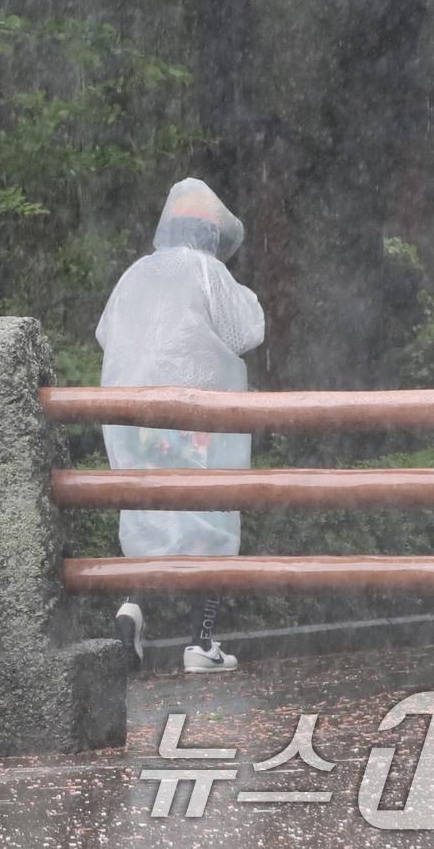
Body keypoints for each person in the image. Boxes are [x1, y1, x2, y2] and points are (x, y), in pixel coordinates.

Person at [95, 178, 264, 674]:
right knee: (208, 523)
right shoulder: (208, 272)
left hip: (140, 424)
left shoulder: (134, 274)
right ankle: (201, 643)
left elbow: (107, 333)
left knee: (156, 514)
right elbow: (247, 330)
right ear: (211, 234)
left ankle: (132, 608)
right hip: (197, 423)